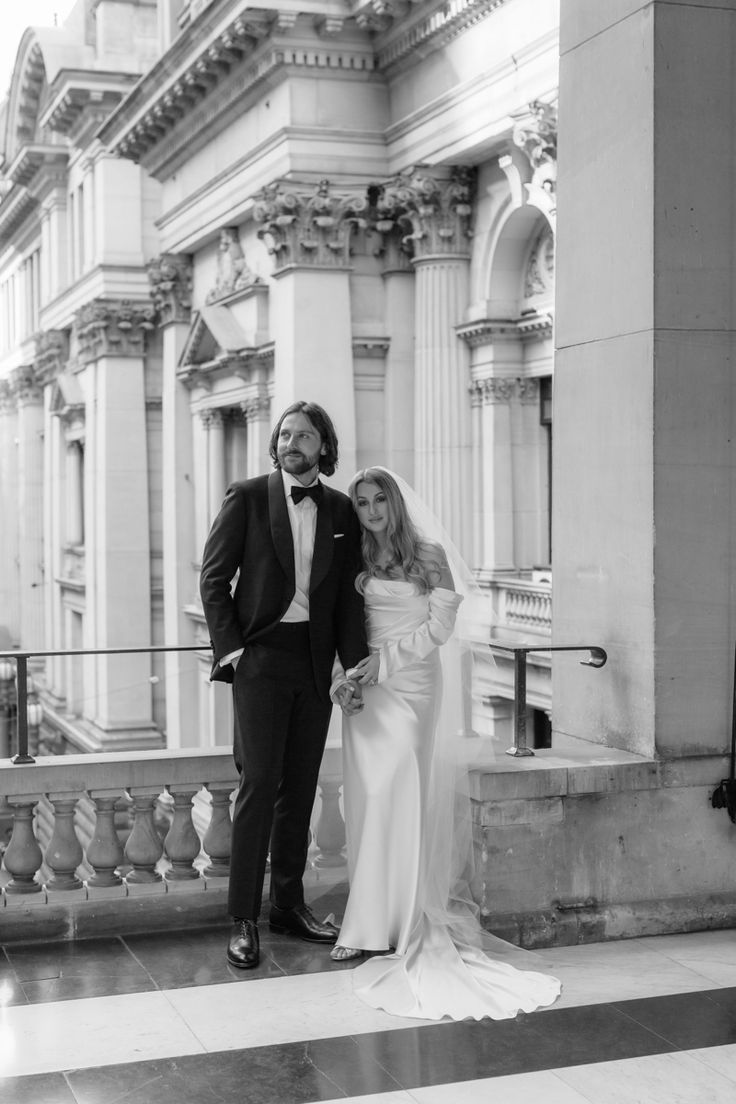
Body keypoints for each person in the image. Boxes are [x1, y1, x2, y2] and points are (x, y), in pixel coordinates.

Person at [330, 467, 561, 1021]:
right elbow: (340, 624)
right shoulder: (354, 557)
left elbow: (440, 630)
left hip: (409, 686)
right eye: (361, 502)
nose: (371, 510)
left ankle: (400, 922)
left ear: (395, 501)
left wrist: (382, 665)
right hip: (366, 689)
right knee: (366, 802)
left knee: (401, 795)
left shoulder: (428, 555)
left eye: (378, 499)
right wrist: (347, 677)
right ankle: (368, 922)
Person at [199, 401, 368, 969]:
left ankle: (288, 907)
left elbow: (347, 599)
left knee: (299, 788)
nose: (293, 441)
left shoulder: (342, 508)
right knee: (259, 785)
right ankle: (243, 918)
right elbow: (214, 580)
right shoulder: (246, 496)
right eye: (286, 434)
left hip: (315, 665)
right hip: (261, 660)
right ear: (276, 443)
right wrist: (234, 653)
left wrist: (352, 666)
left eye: (305, 435)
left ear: (324, 446)